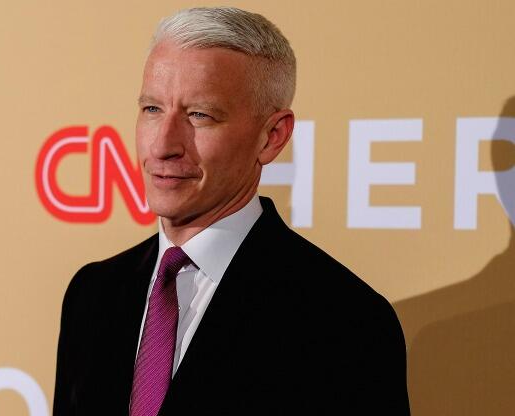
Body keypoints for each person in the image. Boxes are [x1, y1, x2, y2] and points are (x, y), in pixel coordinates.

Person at [53, 7, 409, 415]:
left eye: (199, 115)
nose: (163, 145)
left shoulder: (345, 322)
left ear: (272, 137)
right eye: (152, 109)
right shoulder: (93, 294)